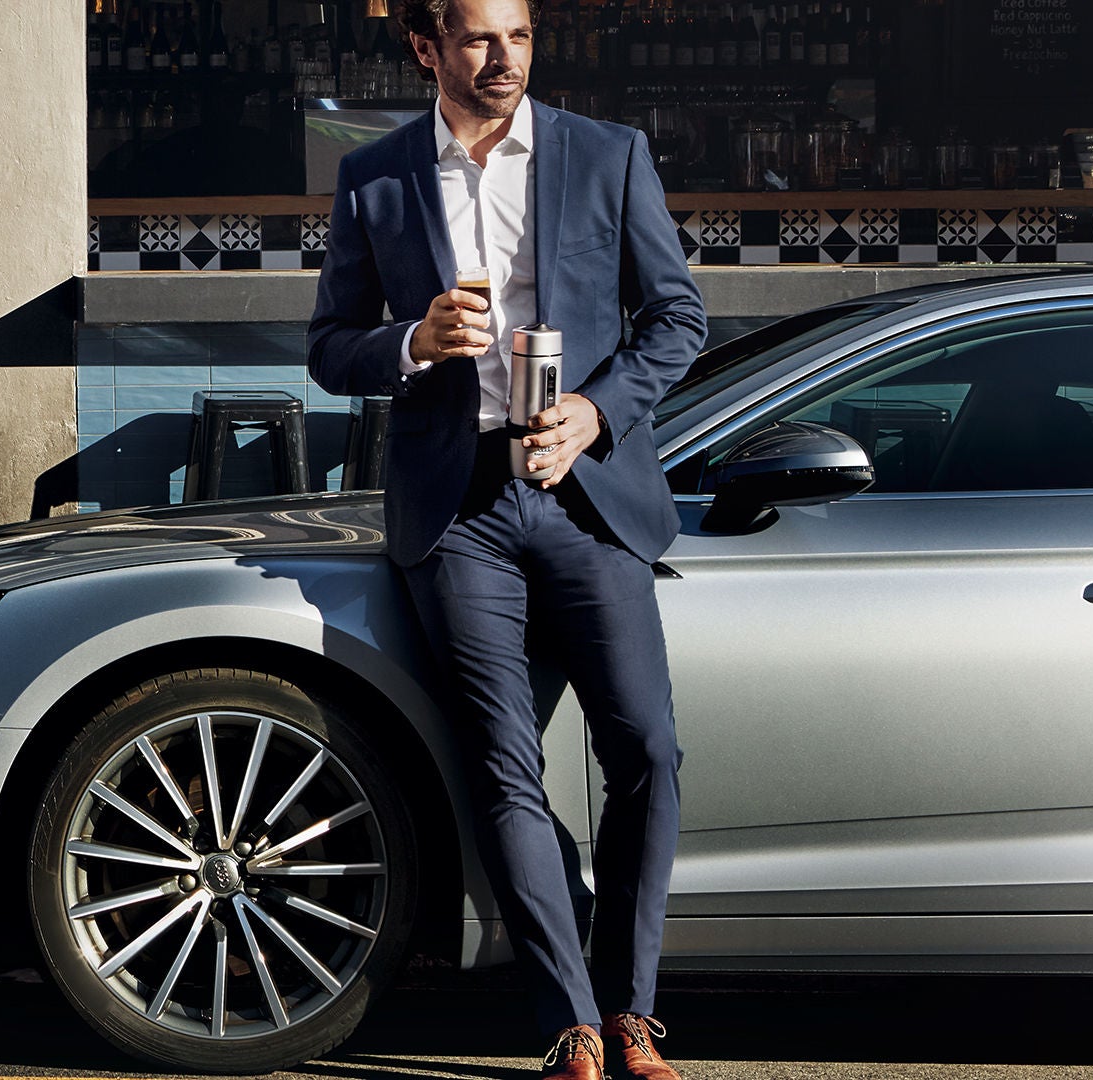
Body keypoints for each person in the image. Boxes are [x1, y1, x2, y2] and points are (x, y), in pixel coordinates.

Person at [306, 0, 706, 1073]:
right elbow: (330, 349)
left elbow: (678, 318)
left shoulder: (608, 154)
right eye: (479, 39)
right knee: (503, 764)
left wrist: (595, 413)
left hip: (584, 495)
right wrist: (410, 339)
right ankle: (569, 1020)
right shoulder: (377, 176)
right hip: (460, 507)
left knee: (648, 753)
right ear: (427, 48)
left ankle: (632, 1006)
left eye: (520, 36)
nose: (504, 59)